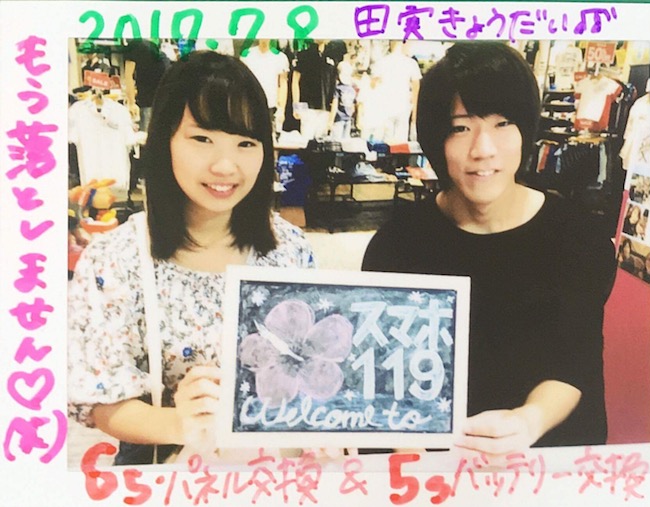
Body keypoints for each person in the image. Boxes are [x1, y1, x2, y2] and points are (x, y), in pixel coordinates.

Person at [362, 42, 614, 453]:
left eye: (502, 123)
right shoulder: (397, 245)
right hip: (429, 464)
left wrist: (528, 420)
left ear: (526, 130)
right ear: (436, 138)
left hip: (543, 458)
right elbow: (383, 375)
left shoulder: (577, 238)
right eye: (460, 127)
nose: (483, 149)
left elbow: (574, 360)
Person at [68, 51, 316, 465]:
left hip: (275, 476)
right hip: (169, 475)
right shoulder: (116, 259)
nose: (226, 165)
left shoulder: (289, 249)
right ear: (164, 139)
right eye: (202, 139)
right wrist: (178, 423)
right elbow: (101, 398)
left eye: (246, 143)